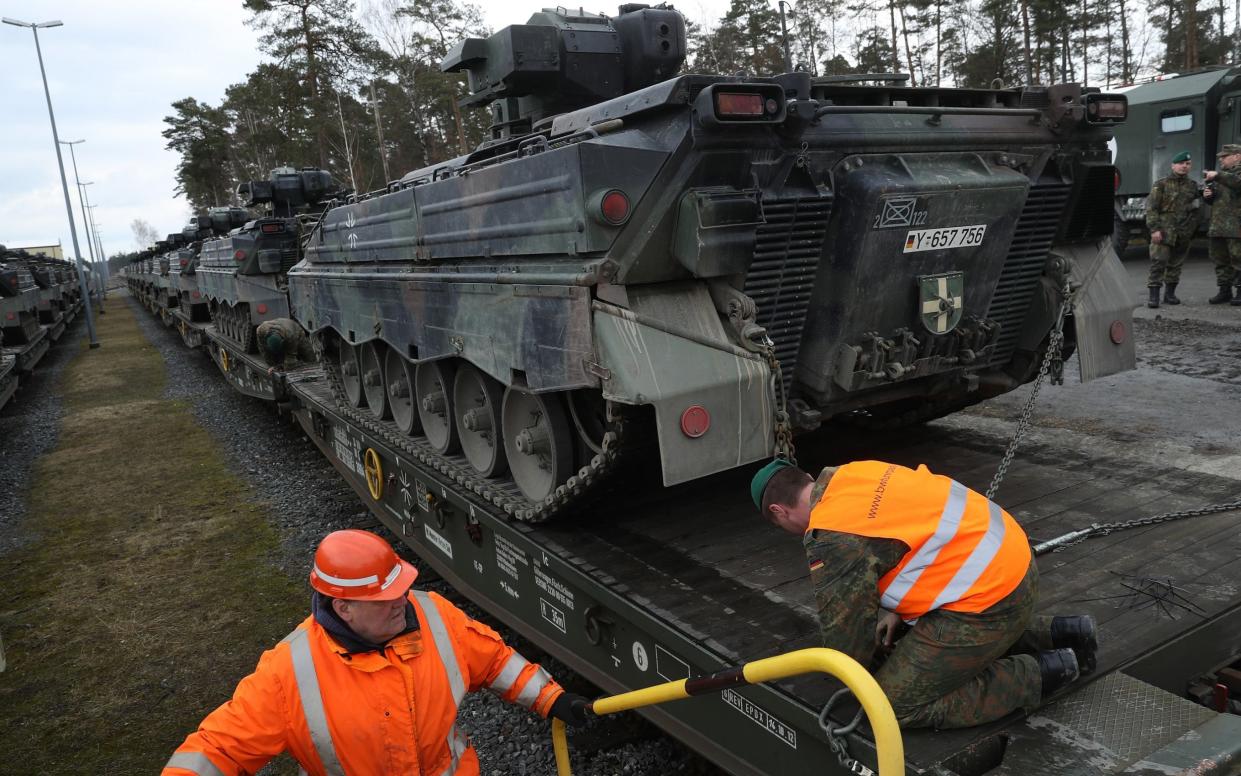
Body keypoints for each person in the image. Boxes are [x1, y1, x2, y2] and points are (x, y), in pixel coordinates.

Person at [163, 529, 590, 776]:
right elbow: (218, 747)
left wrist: (552, 698)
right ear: (342, 607)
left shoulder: (434, 615)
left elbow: (495, 661)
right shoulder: (288, 672)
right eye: (386, 597)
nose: (402, 602)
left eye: (402, 589)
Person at [751, 459, 1099, 730]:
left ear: (778, 513)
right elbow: (911, 533)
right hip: (1015, 564)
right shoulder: (856, 474)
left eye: (780, 525)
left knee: (889, 706)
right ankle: (1065, 632)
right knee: (929, 635)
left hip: (991, 599)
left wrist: (869, 669)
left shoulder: (831, 534)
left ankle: (1039, 674)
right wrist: (897, 613)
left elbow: (847, 647)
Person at [1144, 151, 1200, 308]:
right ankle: (1154, 296)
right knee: (1158, 262)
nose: (1184, 166)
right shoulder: (1161, 184)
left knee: (1176, 265)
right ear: (1173, 165)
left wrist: (1192, 230)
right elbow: (1151, 208)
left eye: (1187, 164)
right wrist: (1154, 229)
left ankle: (1170, 295)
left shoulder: (1193, 186)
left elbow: (1196, 210)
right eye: (1181, 163)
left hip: (1183, 232)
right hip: (1164, 231)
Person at [1202, 143, 1241, 305]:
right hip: (1218, 225)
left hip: (1236, 226)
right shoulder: (1221, 175)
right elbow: (1217, 200)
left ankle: (1239, 291)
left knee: (1238, 259)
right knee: (1220, 260)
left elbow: (1237, 183)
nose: (1221, 160)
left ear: (1237, 156)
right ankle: (1224, 291)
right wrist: (1208, 196)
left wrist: (1217, 176)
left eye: (1225, 157)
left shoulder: (1230, 175)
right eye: (1220, 157)